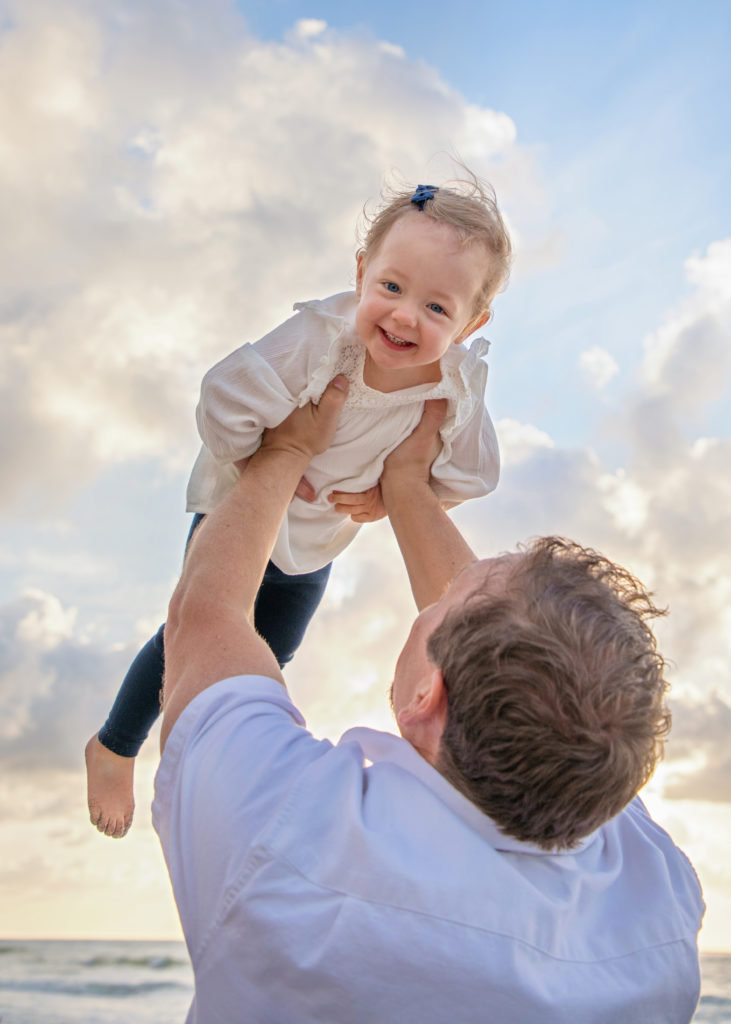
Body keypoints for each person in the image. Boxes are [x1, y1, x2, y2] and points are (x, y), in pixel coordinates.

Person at [154, 379, 704, 1024]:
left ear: (427, 695)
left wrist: (286, 453)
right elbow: (526, 666)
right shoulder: (654, 898)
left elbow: (207, 616)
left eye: (441, 605)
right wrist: (408, 486)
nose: (437, 593)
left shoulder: (290, 840)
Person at [86, 175, 512, 838]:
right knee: (195, 627)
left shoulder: (453, 385)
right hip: (243, 511)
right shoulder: (320, 340)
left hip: (318, 537)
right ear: (362, 271)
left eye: (436, 308)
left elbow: (471, 473)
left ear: (471, 324)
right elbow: (225, 395)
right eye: (391, 288)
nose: (403, 316)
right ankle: (115, 745)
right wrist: (262, 460)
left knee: (272, 646)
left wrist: (387, 498)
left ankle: (222, 746)